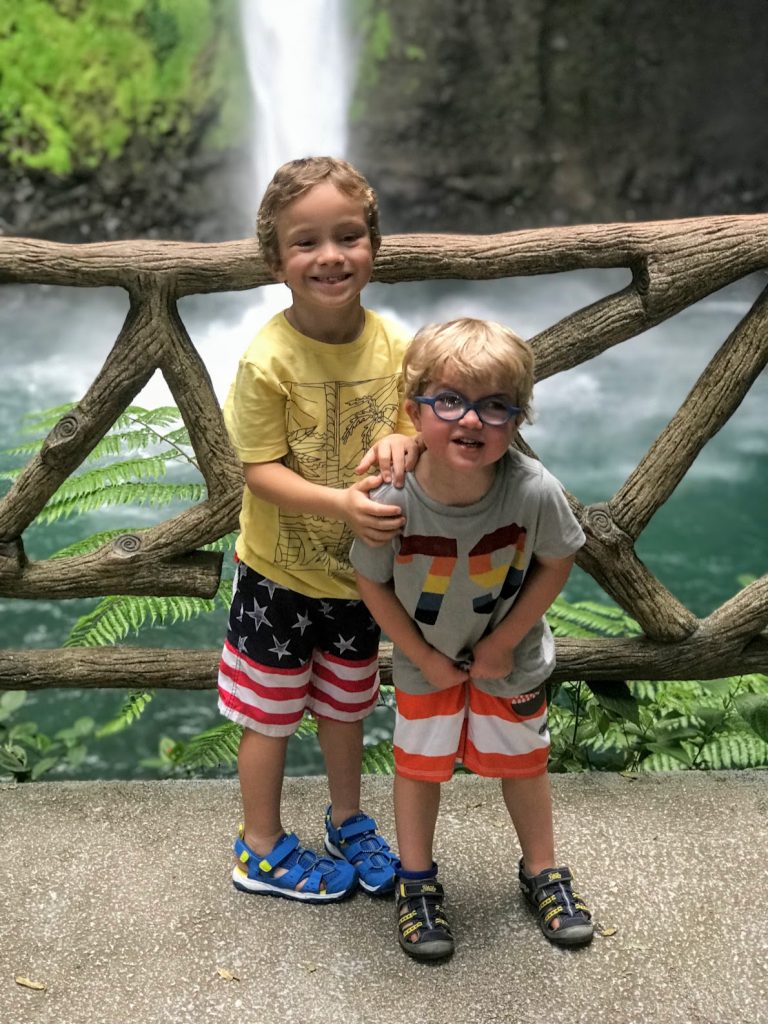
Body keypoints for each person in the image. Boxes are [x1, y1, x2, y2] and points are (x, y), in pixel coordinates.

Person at [351, 317, 594, 959]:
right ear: (414, 411)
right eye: (450, 401)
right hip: (422, 665)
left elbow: (557, 560)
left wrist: (507, 639)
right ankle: (416, 880)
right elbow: (370, 580)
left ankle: (541, 870)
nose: (471, 421)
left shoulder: (531, 489)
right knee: (418, 769)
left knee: (525, 764)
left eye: (494, 407)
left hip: (509, 663)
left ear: (517, 419)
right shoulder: (393, 493)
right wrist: (424, 654)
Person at [218, 156, 421, 904]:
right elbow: (258, 469)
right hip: (276, 575)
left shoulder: (393, 347)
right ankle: (261, 847)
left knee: (347, 706)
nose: (330, 256)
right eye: (306, 242)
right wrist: (340, 504)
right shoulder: (267, 358)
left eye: (348, 236)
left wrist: (408, 442)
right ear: (276, 260)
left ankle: (348, 819)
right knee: (268, 716)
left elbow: (410, 425)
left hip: (357, 579)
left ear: (373, 244)